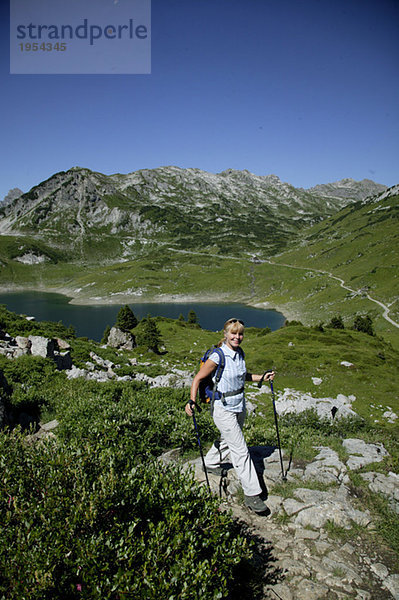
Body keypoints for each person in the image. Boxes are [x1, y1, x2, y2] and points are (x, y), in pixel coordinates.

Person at [185, 317, 275, 513]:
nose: (237, 337)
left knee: (229, 439)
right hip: (222, 408)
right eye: (233, 333)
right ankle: (252, 494)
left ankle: (209, 462)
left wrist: (262, 377)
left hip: (238, 405)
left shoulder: (240, 353)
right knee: (241, 450)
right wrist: (191, 401)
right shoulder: (218, 356)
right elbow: (198, 378)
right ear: (225, 334)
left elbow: (243, 376)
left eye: (240, 333)